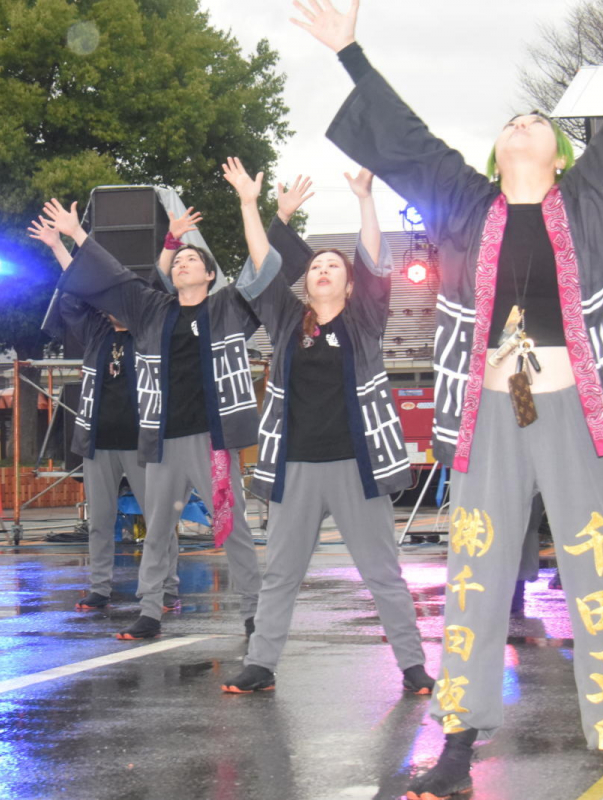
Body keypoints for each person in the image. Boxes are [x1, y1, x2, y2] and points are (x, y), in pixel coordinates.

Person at [294, 2, 603, 799]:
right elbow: (410, 142)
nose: (521, 122)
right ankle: (457, 746)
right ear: (495, 154)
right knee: (476, 573)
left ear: (559, 155)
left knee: (602, 566)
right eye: (511, 120)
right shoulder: (466, 204)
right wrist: (351, 54)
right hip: (493, 409)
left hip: (574, 410)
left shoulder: (593, 195)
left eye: (535, 121)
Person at [219, 160, 435, 696]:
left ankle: (412, 666)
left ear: (348, 282)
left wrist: (365, 199)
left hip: (357, 467)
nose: (322, 270)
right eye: (316, 265)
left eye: (333, 266)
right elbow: (264, 265)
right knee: (282, 575)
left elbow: (373, 257)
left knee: (382, 573)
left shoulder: (365, 319)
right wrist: (251, 204)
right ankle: (262, 665)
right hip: (294, 468)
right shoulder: (289, 320)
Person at [39, 195, 263, 641]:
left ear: (211, 275)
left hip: (212, 441)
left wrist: (250, 204)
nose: (183, 263)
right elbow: (116, 279)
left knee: (231, 526)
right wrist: (76, 235)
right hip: (161, 442)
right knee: (156, 530)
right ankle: (150, 612)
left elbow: (263, 273)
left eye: (193, 259)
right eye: (178, 259)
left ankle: (256, 612)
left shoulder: (226, 309)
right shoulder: (154, 311)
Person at [32, 218, 182, 611]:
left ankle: (167, 586)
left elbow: (151, 289)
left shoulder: (148, 330)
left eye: (121, 302)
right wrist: (57, 247)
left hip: (141, 441)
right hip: (98, 442)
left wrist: (170, 244)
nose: (114, 307)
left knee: (158, 517)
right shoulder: (97, 332)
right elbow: (75, 287)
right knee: (100, 520)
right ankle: (100, 587)